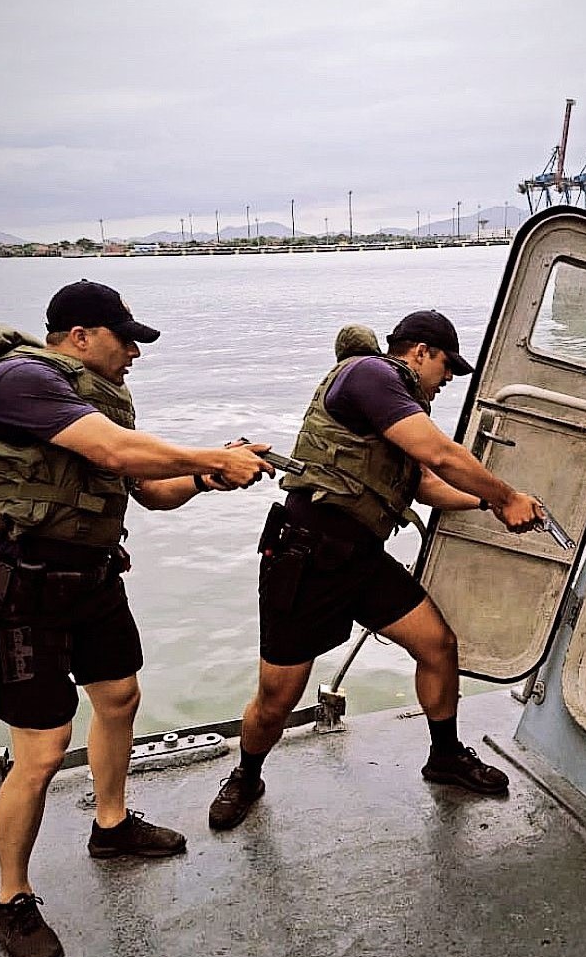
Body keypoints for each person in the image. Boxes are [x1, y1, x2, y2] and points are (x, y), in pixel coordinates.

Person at [0, 279, 273, 957]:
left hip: (94, 581)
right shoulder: (18, 381)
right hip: (26, 592)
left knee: (120, 697)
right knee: (42, 750)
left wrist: (208, 478)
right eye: (125, 339)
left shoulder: (91, 398)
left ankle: (111, 824)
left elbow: (150, 490)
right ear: (79, 336)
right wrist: (212, 455)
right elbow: (117, 453)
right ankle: (12, 899)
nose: (135, 352)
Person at [208, 309, 543, 831]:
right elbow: (441, 454)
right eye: (446, 367)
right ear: (420, 352)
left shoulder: (396, 405)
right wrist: (506, 495)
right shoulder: (371, 374)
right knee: (277, 700)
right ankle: (246, 775)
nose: (447, 380)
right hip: (306, 556)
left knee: (438, 646)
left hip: (361, 559)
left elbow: (425, 484)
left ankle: (445, 756)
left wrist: (489, 505)